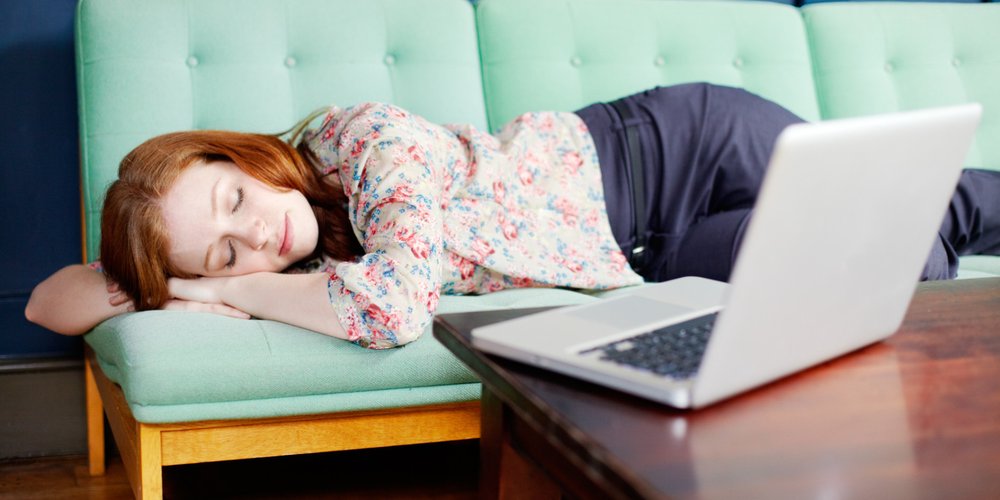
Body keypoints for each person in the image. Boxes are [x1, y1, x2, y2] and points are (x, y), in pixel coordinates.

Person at [25, 83, 1000, 348]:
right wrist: (168, 279)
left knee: (910, 209)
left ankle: (948, 204)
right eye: (224, 249)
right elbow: (48, 303)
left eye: (235, 198)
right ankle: (935, 215)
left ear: (243, 158)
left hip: (673, 146)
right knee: (889, 250)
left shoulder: (362, 138)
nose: (256, 237)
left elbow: (395, 308)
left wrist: (222, 287)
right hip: (646, 253)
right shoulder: (294, 269)